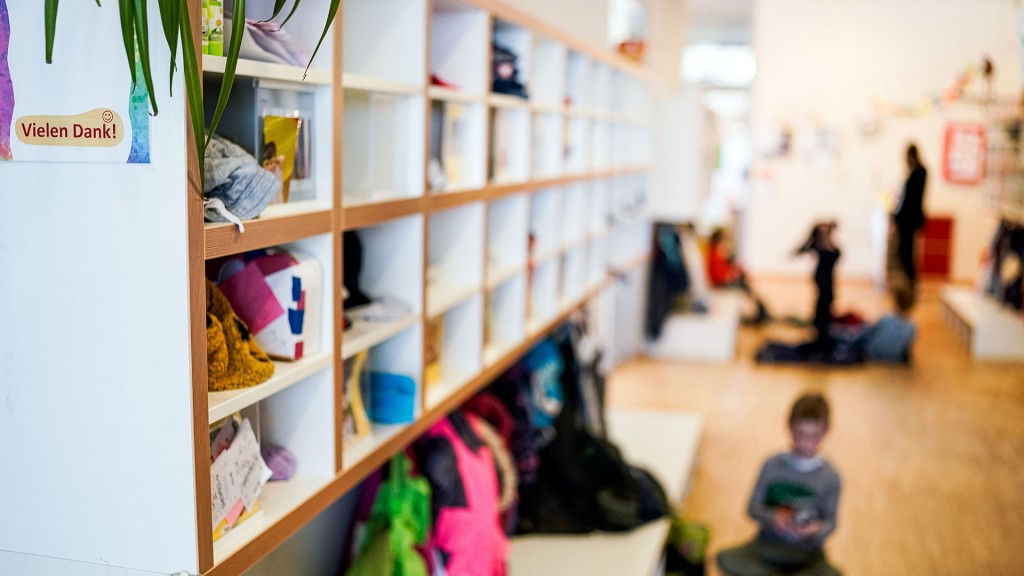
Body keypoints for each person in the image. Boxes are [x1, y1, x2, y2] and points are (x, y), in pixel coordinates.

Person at [717, 393, 842, 576]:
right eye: (800, 434)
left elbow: (830, 523)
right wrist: (772, 517)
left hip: (808, 555)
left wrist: (814, 529)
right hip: (766, 547)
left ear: (826, 432)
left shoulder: (831, 476)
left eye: (814, 436)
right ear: (790, 428)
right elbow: (752, 509)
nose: (806, 443)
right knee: (725, 558)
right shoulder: (771, 465)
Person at [794, 221, 841, 355]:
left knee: (827, 301)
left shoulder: (828, 244)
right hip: (822, 279)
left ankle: (822, 331)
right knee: (823, 302)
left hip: (827, 280)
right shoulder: (819, 245)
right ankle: (820, 332)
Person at [707, 228, 771, 324]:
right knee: (744, 286)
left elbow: (733, 268)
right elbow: (718, 275)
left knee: (745, 284)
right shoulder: (715, 253)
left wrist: (737, 272)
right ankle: (761, 312)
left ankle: (761, 312)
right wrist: (732, 275)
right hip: (719, 284)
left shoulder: (721, 252)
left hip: (724, 281)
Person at [852, 282, 916, 363]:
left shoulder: (886, 318)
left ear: (895, 301)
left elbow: (867, 332)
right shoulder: (911, 327)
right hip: (894, 358)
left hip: (872, 353)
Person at [894, 144, 927, 287]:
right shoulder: (917, 172)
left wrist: (898, 215)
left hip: (908, 219)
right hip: (908, 218)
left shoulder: (918, 172)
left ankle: (910, 282)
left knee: (906, 251)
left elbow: (910, 199)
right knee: (905, 250)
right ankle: (909, 281)